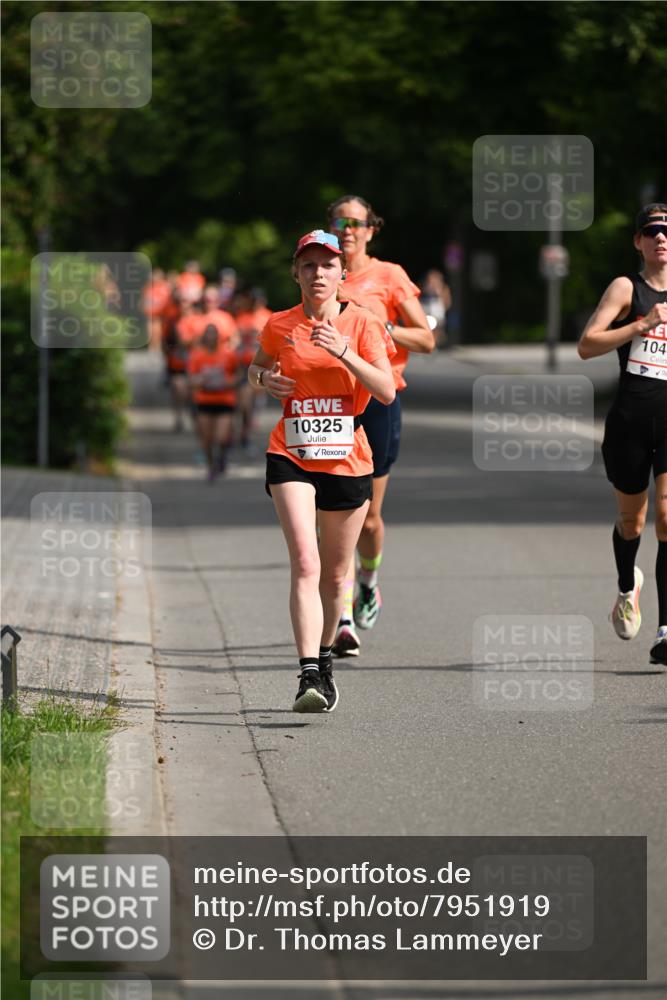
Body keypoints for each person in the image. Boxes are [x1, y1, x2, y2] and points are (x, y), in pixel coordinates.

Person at [248, 230, 395, 712]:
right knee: (305, 565)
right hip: (291, 451)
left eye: (327, 266)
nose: (318, 274)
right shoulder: (279, 324)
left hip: (348, 456)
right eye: (309, 265)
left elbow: (387, 390)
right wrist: (265, 380)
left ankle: (325, 661)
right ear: (296, 272)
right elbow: (255, 368)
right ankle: (307, 671)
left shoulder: (363, 324)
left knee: (335, 578)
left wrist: (343, 352)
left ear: (341, 274)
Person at [327, 195, 435, 656]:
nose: (348, 229)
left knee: (369, 516)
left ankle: (369, 580)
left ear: (371, 229)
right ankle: (344, 616)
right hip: (331, 403)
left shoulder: (388, 276)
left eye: (356, 223)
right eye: (340, 222)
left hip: (379, 399)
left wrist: (381, 328)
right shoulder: (322, 273)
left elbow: (427, 339)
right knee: (335, 511)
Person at [578, 203, 667, 664]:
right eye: (651, 232)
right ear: (638, 241)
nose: (661, 238)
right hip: (631, 421)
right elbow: (587, 345)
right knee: (632, 522)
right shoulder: (626, 288)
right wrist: (638, 325)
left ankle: (666, 628)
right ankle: (626, 586)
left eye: (666, 232)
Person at [188, 323, 247, 481]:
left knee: (221, 437)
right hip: (204, 400)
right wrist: (200, 381)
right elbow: (191, 378)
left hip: (225, 400)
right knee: (207, 439)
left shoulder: (228, 354)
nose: (211, 337)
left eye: (213, 334)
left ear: (218, 337)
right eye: (208, 334)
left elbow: (240, 373)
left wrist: (230, 383)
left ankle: (222, 456)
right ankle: (210, 465)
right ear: (204, 337)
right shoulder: (197, 355)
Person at [234, 287, 273, 454]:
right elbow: (235, 339)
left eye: (258, 300)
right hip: (244, 363)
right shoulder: (243, 317)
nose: (256, 303)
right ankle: (244, 433)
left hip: (263, 363)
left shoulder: (269, 316)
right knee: (244, 401)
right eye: (253, 300)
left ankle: (247, 430)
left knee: (254, 398)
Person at [420, 268, 452, 348]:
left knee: (438, 326)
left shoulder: (443, 288)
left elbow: (446, 300)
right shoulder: (425, 286)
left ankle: (437, 341)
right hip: (427, 309)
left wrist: (444, 309)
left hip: (437, 310)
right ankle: (427, 341)